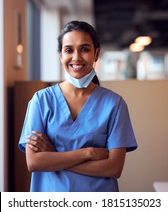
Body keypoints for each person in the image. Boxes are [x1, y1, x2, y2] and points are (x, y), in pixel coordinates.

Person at [18, 20, 137, 192]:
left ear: (96, 54)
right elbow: (34, 162)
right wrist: (88, 153)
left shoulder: (114, 104)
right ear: (60, 56)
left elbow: (114, 168)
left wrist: (54, 157)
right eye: (68, 50)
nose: (76, 57)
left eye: (85, 49)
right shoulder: (41, 101)